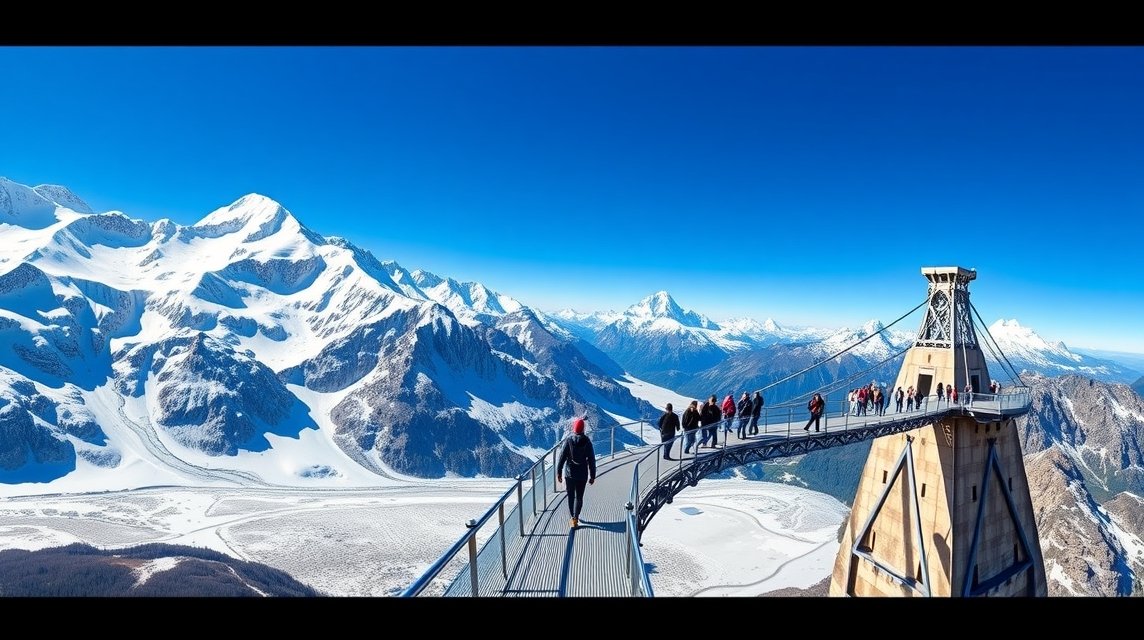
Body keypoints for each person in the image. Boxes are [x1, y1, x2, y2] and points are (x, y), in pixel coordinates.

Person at [556, 417, 596, 529]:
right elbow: (591, 460)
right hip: (582, 474)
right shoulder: (587, 442)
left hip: (569, 474)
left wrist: (559, 472)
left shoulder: (568, 441)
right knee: (579, 497)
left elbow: (562, 458)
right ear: (583, 429)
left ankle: (572, 517)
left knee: (570, 496)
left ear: (574, 428)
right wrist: (592, 476)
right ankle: (576, 517)